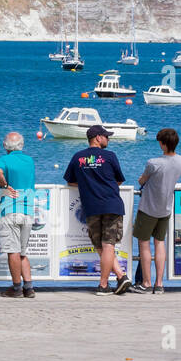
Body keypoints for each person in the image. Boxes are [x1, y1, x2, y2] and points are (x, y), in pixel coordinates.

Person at [63, 125, 132, 295]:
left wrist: (88, 184)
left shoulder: (78, 157)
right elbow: (119, 181)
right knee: (108, 245)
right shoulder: (110, 156)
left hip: (91, 206)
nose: (108, 139)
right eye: (106, 136)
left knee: (100, 246)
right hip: (111, 205)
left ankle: (121, 277)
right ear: (97, 138)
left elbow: (70, 181)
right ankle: (103, 285)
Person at [132, 128, 181, 293]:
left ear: (163, 144)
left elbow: (143, 179)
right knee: (160, 243)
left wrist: (141, 180)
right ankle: (159, 283)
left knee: (144, 243)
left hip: (148, 207)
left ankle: (146, 283)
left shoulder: (153, 162)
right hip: (166, 207)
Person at [0, 131, 36, 298]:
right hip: (28, 211)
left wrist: (5, 185)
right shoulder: (30, 160)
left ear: (5, 145)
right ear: (22, 145)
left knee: (13, 251)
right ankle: (29, 287)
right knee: (22, 252)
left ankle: (16, 288)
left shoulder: (3, 160)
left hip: (9, 210)